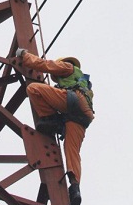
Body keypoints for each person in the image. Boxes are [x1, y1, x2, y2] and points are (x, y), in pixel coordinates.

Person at [15, 48, 94, 205]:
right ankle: (74, 188)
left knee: (33, 89)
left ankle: (50, 120)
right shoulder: (79, 81)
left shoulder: (67, 67)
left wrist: (24, 56)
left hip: (73, 102)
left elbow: (45, 65)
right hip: (82, 116)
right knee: (72, 153)